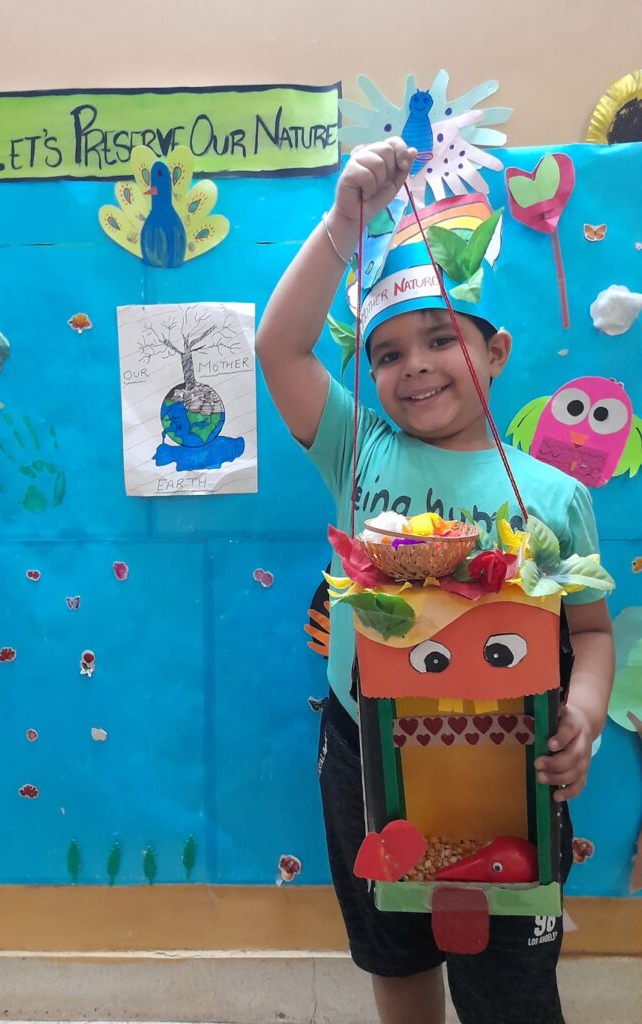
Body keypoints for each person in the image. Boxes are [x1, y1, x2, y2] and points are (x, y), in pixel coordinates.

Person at [255, 139, 615, 1024]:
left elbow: (590, 631)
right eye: (385, 354)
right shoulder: (359, 450)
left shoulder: (555, 495)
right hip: (365, 747)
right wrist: (344, 226)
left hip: (510, 759)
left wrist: (583, 714)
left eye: (441, 338)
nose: (412, 364)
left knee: (508, 987)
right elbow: (279, 347)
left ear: (495, 351)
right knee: (397, 955)